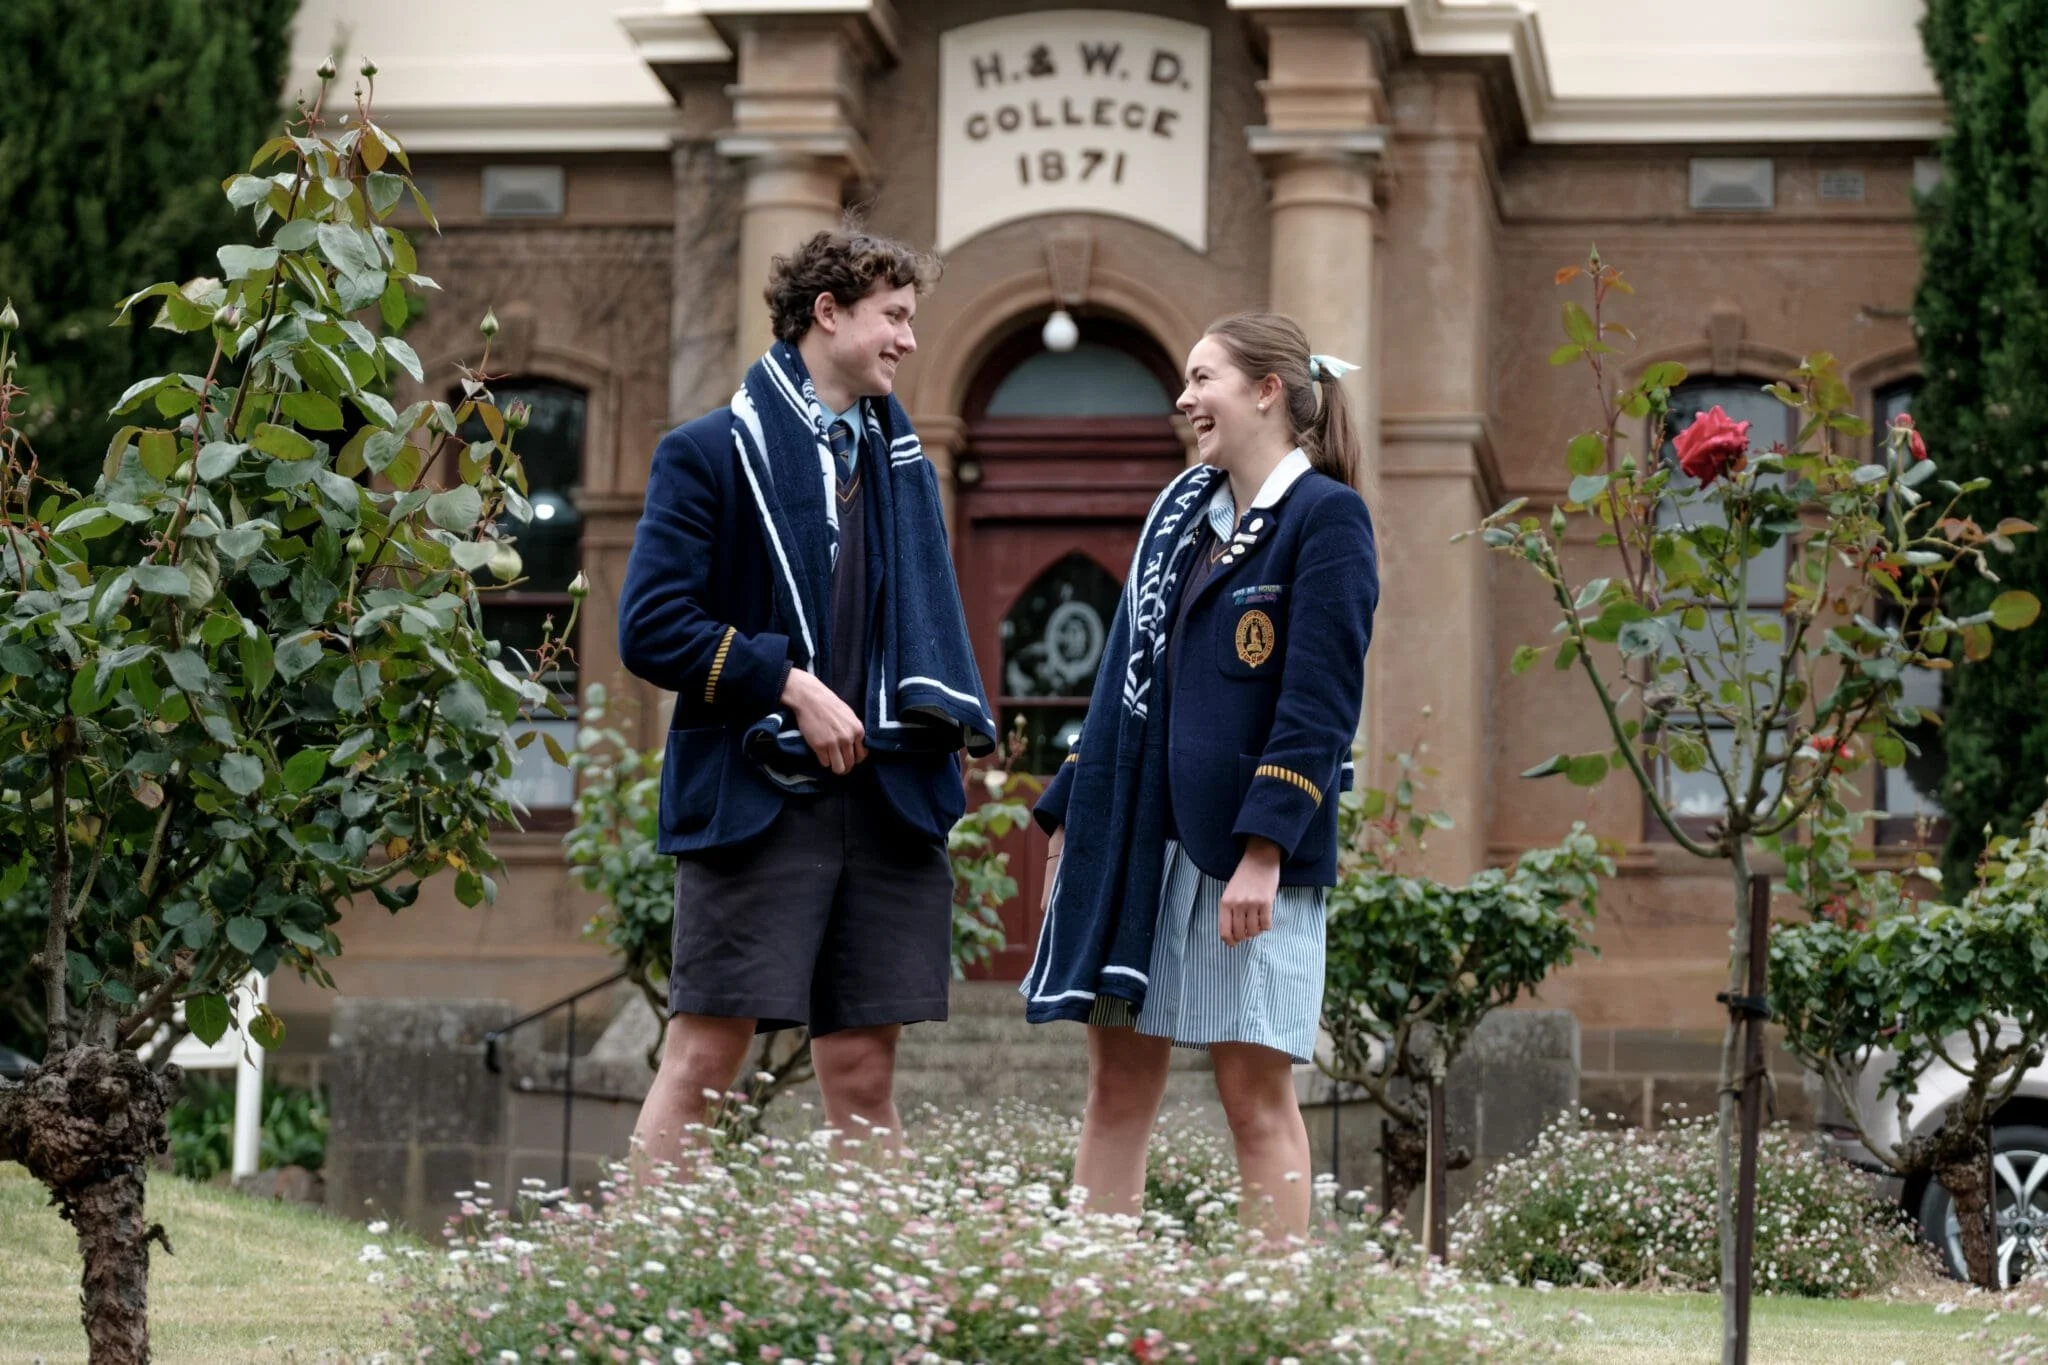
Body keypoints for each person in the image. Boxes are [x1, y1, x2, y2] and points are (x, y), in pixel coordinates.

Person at [617, 225, 996, 1168]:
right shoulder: (708, 453)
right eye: (893, 316)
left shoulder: (901, 468)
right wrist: (785, 683)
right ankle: (636, 1261)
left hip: (888, 796)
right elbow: (650, 627)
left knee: (864, 1071)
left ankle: (871, 1269)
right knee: (705, 1059)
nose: (909, 338)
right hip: (756, 795)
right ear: (827, 312)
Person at [1021, 313, 1379, 1238]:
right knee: (1115, 1090)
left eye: (1202, 377)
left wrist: (1265, 849)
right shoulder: (1182, 516)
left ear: (1267, 390)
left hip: (1247, 859)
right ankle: (1091, 1295)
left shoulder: (1326, 517)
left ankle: (1271, 1307)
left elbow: (1319, 704)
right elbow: (1121, 678)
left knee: (1253, 1097)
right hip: (1141, 843)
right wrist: (1072, 822)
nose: (1183, 398)